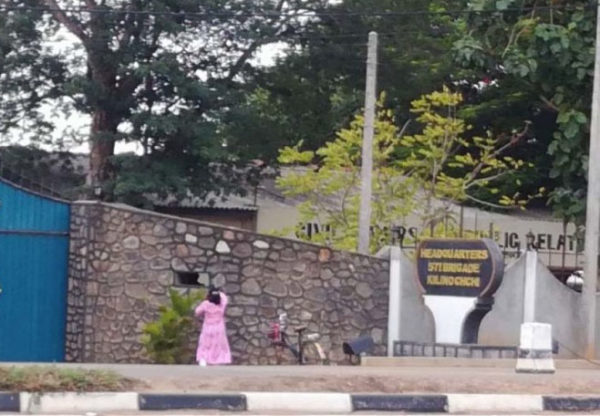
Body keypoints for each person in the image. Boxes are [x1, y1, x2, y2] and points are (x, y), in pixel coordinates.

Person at [194, 286, 231, 366]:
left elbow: (197, 312)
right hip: (219, 328)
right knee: (218, 344)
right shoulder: (222, 304)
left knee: (205, 344)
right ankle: (218, 360)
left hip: (208, 327)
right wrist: (219, 292)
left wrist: (207, 297)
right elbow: (224, 298)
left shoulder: (206, 304)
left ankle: (204, 359)